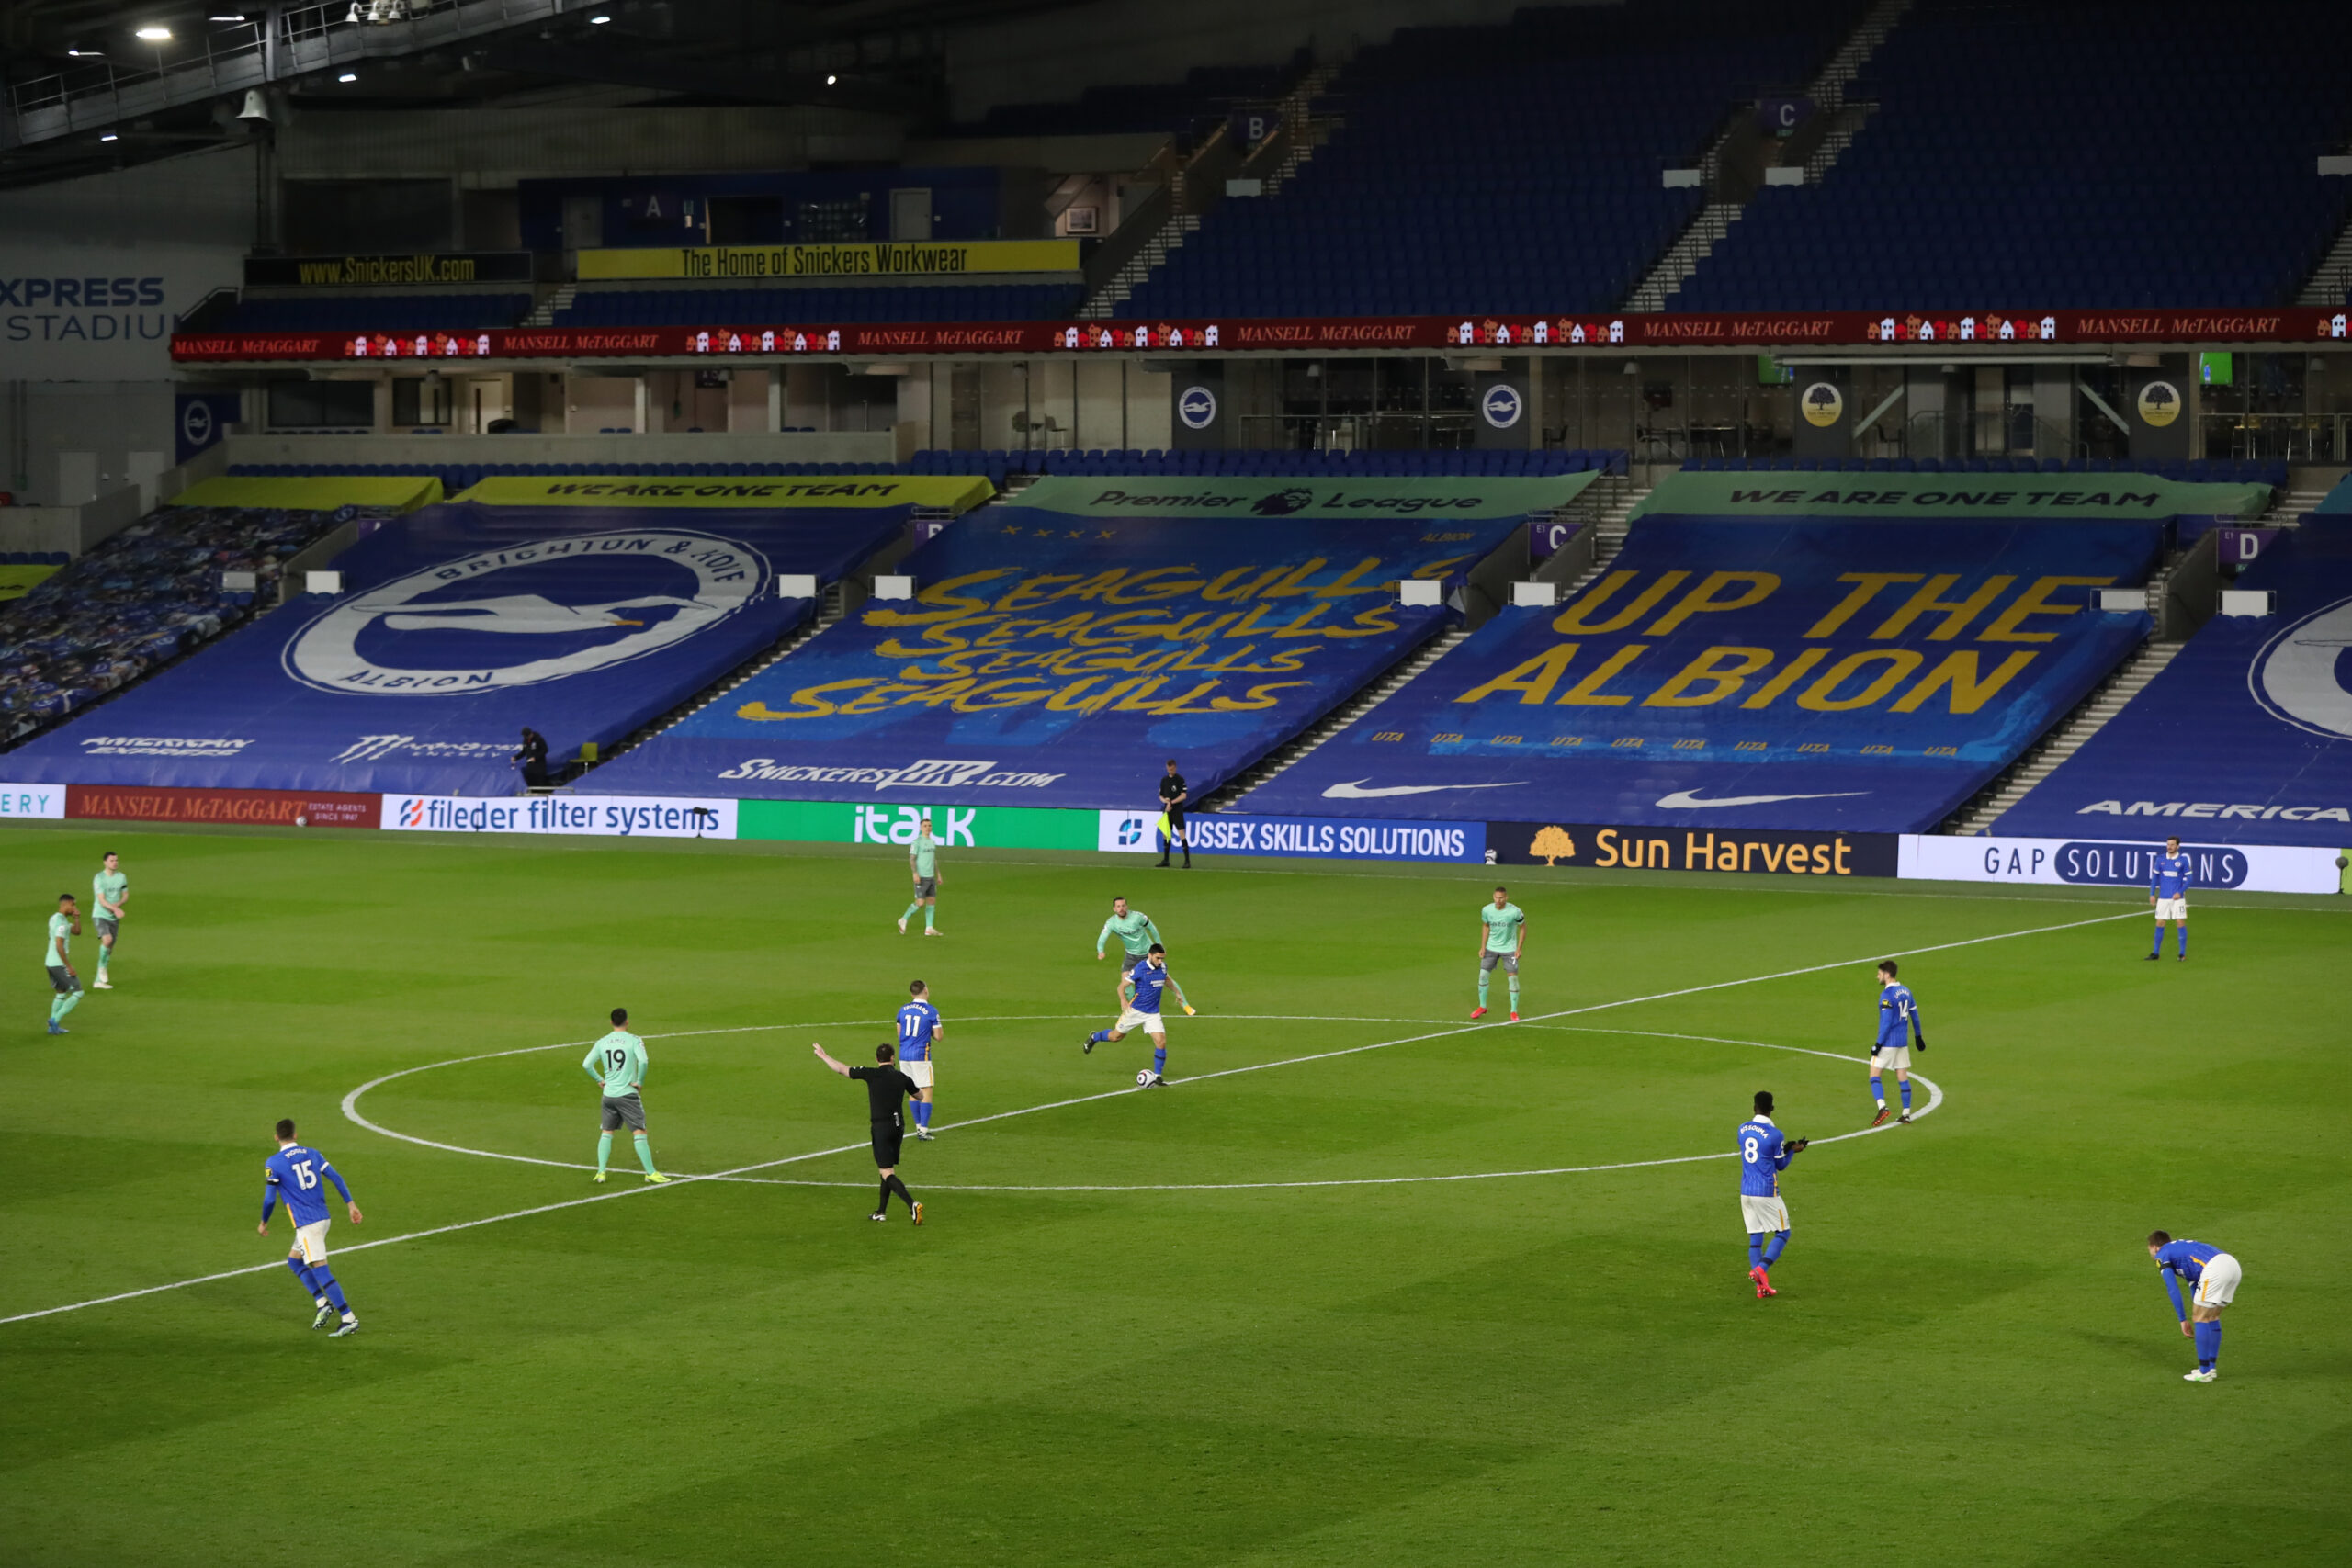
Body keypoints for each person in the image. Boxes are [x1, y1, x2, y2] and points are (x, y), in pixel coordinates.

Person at [260, 1118, 363, 1336]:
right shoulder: (313, 1153)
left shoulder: (274, 1163)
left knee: (321, 1270)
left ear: (276, 1137)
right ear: (295, 1135)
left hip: (308, 1223)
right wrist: (351, 1205)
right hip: (323, 1218)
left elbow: (270, 1200)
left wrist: (263, 1222)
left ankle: (348, 1318)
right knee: (294, 1261)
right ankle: (322, 1303)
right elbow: (335, 1177)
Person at [812, 1041, 922, 1224]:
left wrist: (824, 1056)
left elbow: (842, 1069)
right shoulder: (902, 1077)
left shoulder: (871, 1074)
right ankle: (881, 1212)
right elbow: (920, 1096)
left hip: (881, 1127)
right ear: (893, 1058)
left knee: (887, 1172)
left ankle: (912, 1204)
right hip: (898, 1127)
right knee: (886, 1168)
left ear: (877, 1059)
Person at [581, 1007, 670, 1185]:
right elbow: (643, 1061)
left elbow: (586, 1064)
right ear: (627, 1022)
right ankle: (651, 1173)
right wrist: (640, 1081)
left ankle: (601, 1172)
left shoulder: (602, 1042)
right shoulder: (634, 1040)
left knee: (607, 1131)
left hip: (608, 1095)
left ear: (611, 1022)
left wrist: (600, 1080)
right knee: (639, 1131)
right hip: (627, 1094)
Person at [1083, 942, 1193, 1085]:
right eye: (1158, 958)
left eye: (1162, 958)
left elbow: (1167, 980)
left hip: (1153, 1013)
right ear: (1150, 956)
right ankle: (1094, 1037)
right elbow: (1121, 986)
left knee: (1161, 1041)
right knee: (1116, 1037)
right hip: (1135, 1011)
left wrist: (1177, 993)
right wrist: (1123, 1000)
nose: (1161, 961)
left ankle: (1158, 1076)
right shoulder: (1140, 968)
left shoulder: (1163, 967)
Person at [1737, 1090, 1808, 1299]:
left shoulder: (1742, 1129)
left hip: (1746, 1191)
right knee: (1783, 1232)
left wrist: (1784, 1148)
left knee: (1756, 1238)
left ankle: (1761, 1287)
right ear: (1772, 1109)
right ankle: (1760, 1269)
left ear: (1754, 1108)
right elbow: (1780, 1164)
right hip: (1766, 1191)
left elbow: (1760, 1153)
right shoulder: (1775, 1134)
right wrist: (1794, 1150)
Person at [2148, 1230, 2242, 1382]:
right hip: (2232, 1266)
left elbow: (2172, 1288)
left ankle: (2204, 1372)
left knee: (2201, 1318)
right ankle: (2210, 1368)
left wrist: (2183, 1319)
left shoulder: (2162, 1254)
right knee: (2212, 1316)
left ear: (2154, 1247)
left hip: (2214, 1269)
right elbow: (2195, 1286)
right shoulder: (2180, 1251)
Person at [1868, 959, 1927, 1127]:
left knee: (1874, 1075)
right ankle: (1906, 1114)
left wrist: (1878, 1044)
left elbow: (1886, 1023)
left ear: (1887, 975)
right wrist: (1918, 1037)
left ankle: (1882, 1107)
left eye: (1879, 974)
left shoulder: (1886, 995)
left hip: (1888, 1043)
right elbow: (1914, 1015)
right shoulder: (1907, 991)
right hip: (1902, 1042)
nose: (1877, 976)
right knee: (1902, 1076)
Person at [1094, 896, 1164, 1007]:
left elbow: (1152, 928)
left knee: (1166, 978)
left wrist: (1159, 945)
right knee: (1125, 984)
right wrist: (1100, 950)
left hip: (1148, 954)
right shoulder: (1112, 923)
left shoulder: (1137, 917)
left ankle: (1184, 1004)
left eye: (1123, 905)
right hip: (1131, 956)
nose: (1121, 908)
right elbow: (1103, 937)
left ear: (1126, 907)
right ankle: (1137, 1005)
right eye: (1118, 906)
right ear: (1114, 909)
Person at [897, 979, 943, 1141]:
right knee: (926, 1090)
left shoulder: (903, 1009)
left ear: (912, 994)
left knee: (913, 1090)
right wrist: (928, 1031)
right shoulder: (931, 1011)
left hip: (904, 1055)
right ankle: (923, 1130)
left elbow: (899, 1032)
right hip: (920, 1055)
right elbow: (938, 1036)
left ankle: (918, 1127)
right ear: (925, 990)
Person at [1473, 886, 1524, 1021]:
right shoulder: (1487, 910)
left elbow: (1523, 928)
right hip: (1491, 948)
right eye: (1496, 897)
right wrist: (1483, 946)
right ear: (1493, 897)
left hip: (1509, 950)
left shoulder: (1514, 912)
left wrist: (1518, 948)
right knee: (1483, 975)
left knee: (1512, 978)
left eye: (1501, 898)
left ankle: (1513, 1011)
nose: (1498, 900)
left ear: (1506, 898)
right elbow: (1485, 926)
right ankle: (1482, 1006)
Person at [44, 891, 84, 1035]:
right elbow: (59, 945)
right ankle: (55, 1020)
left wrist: (77, 918)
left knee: (61, 993)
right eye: (73, 904)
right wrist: (68, 966)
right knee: (78, 992)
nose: (74, 907)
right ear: (65, 904)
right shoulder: (61, 922)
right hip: (58, 964)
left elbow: (77, 931)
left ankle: (53, 1028)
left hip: (50, 962)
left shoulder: (56, 919)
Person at [899, 811, 944, 936]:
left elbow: (933, 859)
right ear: (920, 828)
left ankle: (929, 928)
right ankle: (904, 919)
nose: (928, 828)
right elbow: (912, 858)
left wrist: (938, 874)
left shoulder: (932, 842)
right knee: (920, 903)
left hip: (931, 877)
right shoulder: (917, 842)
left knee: (932, 901)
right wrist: (915, 873)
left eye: (929, 825)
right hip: (921, 877)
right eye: (925, 826)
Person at [2147, 835, 2191, 961]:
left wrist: (2180, 892)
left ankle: (2182, 954)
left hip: (2178, 898)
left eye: (2172, 845)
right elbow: (2155, 878)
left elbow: (2190, 879)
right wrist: (2152, 893)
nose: (2169, 847)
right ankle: (2156, 953)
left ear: (2178, 846)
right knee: (2160, 922)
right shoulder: (2161, 860)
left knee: (2180, 922)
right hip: (2163, 897)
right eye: (2168, 845)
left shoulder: (2183, 860)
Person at [90, 850, 127, 989]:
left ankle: (98, 981)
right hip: (100, 914)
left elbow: (125, 895)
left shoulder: (122, 877)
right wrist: (115, 909)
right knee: (107, 940)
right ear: (105, 862)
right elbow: (101, 900)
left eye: (116, 860)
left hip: (113, 917)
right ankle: (101, 969)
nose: (115, 862)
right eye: (112, 860)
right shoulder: (99, 878)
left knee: (109, 949)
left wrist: (119, 904)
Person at [1156, 759, 1192, 869]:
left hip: (1176, 810)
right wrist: (1165, 801)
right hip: (1167, 810)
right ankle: (1166, 860)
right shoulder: (1164, 780)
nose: (1169, 771)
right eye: (1168, 769)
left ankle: (1187, 861)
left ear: (1175, 767)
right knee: (1166, 834)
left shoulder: (1180, 780)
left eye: (1171, 769)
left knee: (1181, 834)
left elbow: (1183, 795)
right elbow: (1160, 795)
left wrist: (1171, 802)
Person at [513, 726, 551, 790]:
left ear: (531, 734)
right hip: (530, 767)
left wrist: (535, 758)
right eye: (525, 736)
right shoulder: (525, 741)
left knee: (540, 783)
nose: (526, 738)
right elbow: (524, 752)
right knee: (531, 782)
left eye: (527, 736)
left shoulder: (539, 739)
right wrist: (516, 757)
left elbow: (545, 750)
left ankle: (542, 795)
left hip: (539, 766)